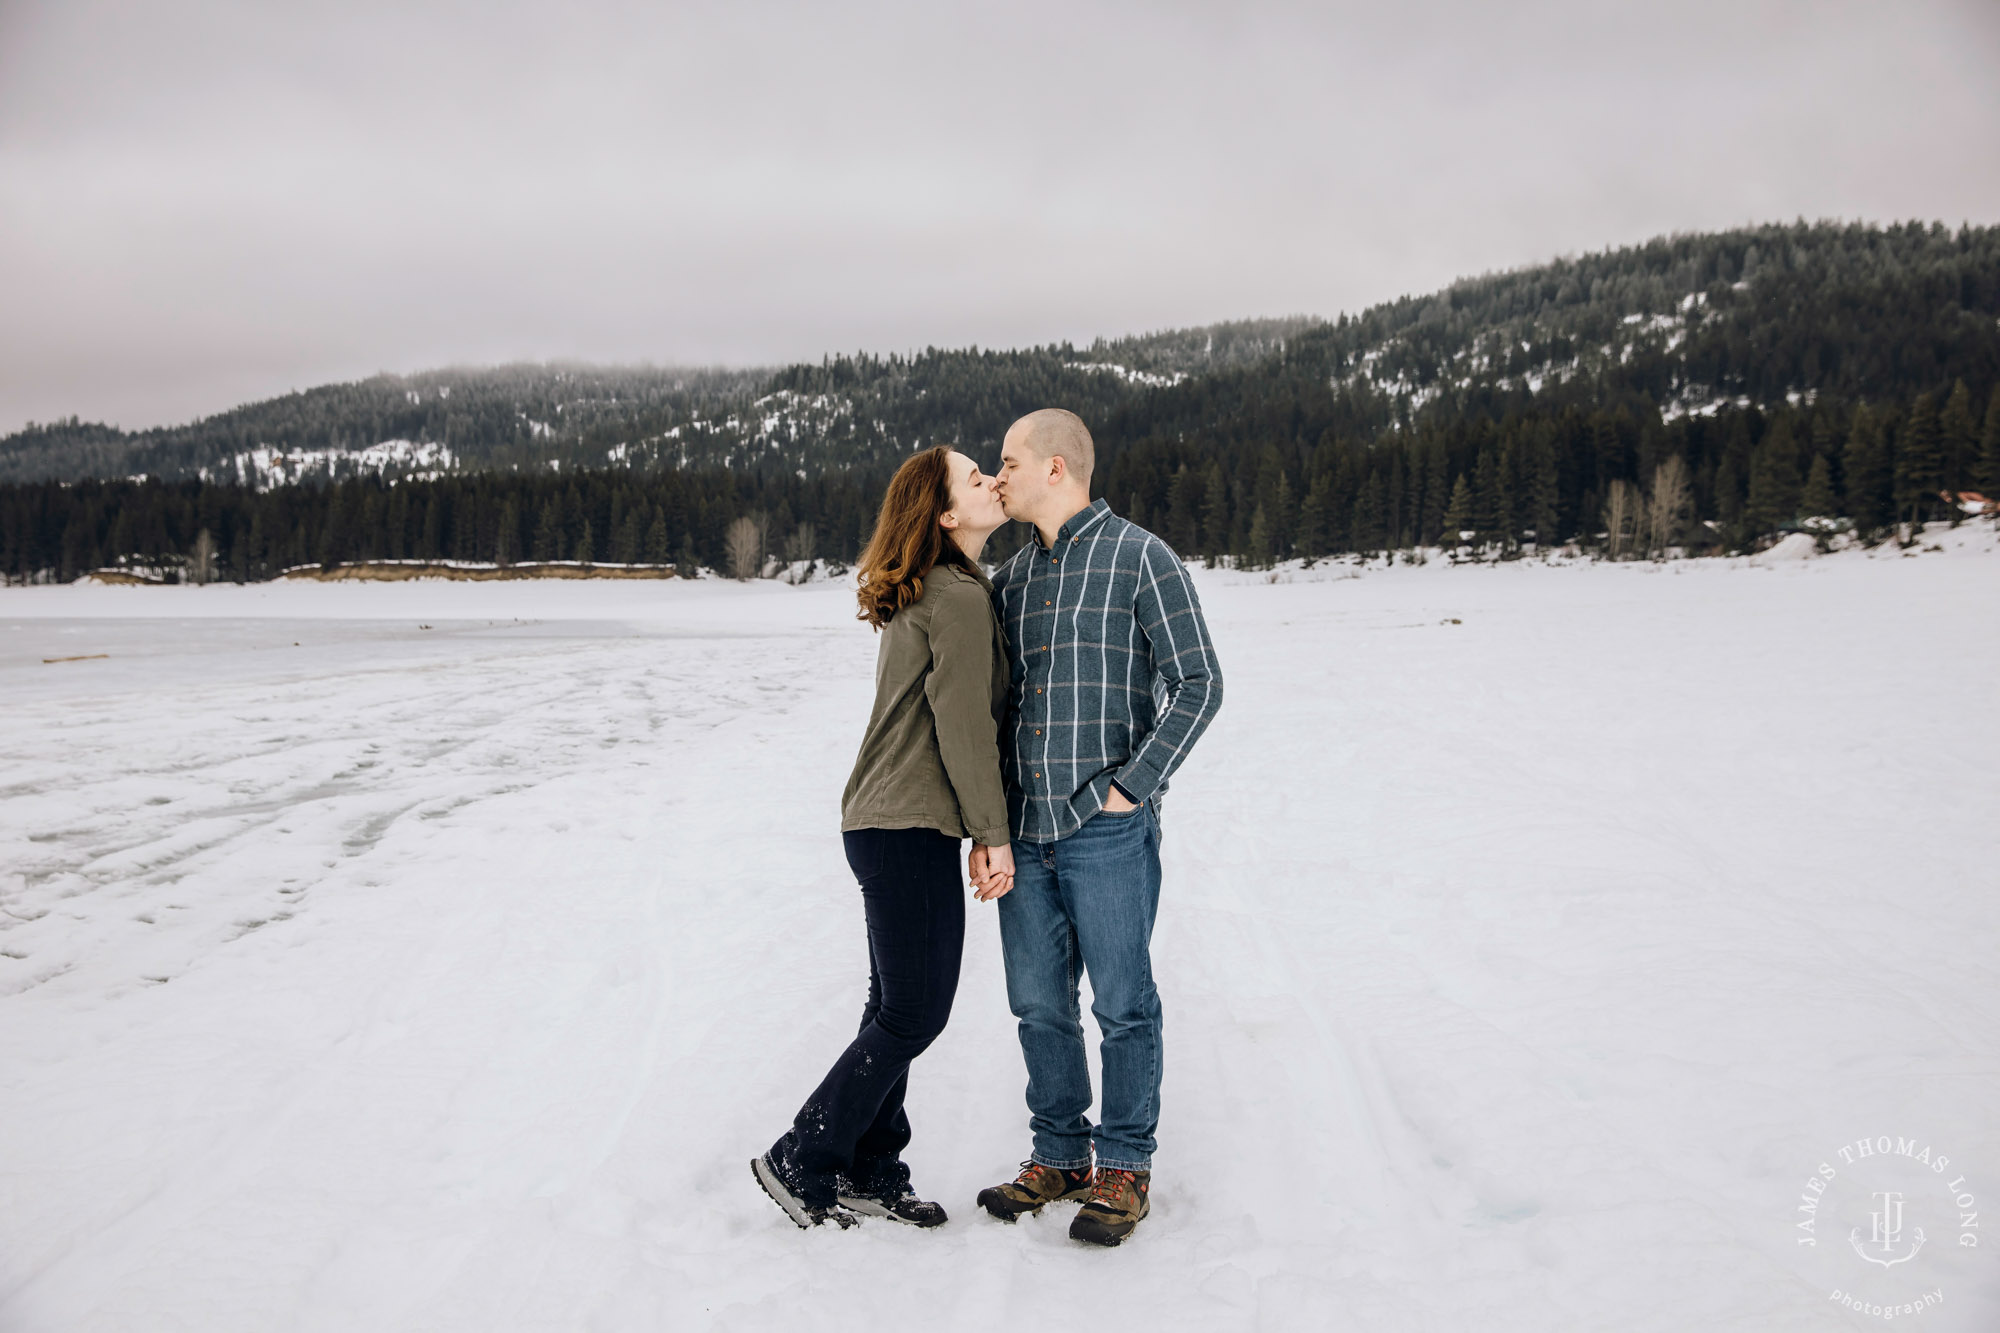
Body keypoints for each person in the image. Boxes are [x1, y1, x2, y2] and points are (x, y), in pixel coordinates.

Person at [973, 408, 1224, 1246]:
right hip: (1024, 829)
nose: (996, 476)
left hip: (1105, 828)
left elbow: (1199, 682)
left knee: (1122, 1002)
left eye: (1007, 462)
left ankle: (1123, 1167)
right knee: (1038, 1003)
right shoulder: (1010, 581)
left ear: (1054, 468)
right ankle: (1059, 1154)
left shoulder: (1142, 557)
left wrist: (1131, 788)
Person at [753, 445, 1018, 1230]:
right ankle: (805, 1153)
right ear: (945, 515)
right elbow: (964, 724)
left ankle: (872, 1165)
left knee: (892, 1005)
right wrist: (992, 833)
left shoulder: (944, 587)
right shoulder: (957, 598)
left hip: (883, 822)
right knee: (916, 1012)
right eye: (976, 479)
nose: (991, 482)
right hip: (905, 825)